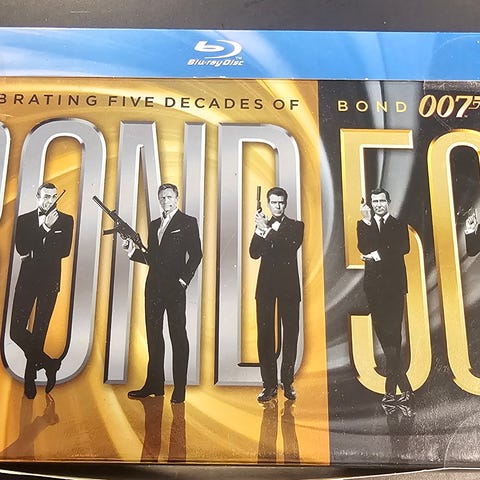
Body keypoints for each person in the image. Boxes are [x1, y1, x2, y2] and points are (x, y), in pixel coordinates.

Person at [124, 183, 202, 404]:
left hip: (175, 288)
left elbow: (196, 255)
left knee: (178, 336)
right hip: (153, 288)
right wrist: (132, 253)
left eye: (169, 197)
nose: (166, 201)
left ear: (177, 198)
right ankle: (155, 385)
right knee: (154, 336)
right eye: (162, 198)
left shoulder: (188, 222)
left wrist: (183, 281)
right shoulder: (154, 224)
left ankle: (180, 389)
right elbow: (153, 259)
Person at [10, 182, 74, 399]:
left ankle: (30, 378)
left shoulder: (66, 220)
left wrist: (34, 249)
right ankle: (49, 364)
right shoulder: (24, 219)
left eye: (53, 197)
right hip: (26, 281)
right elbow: (22, 248)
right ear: (37, 197)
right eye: (46, 197)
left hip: (49, 282)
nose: (50, 201)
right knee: (15, 331)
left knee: (39, 332)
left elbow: (64, 251)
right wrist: (45, 228)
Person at [357, 187, 412, 405]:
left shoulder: (399, 224)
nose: (378, 205)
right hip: (373, 288)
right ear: (370, 204)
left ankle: (393, 392)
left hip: (394, 287)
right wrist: (367, 222)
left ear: (388, 202)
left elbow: (403, 248)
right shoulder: (364, 224)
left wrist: (376, 256)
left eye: (381, 201)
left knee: (394, 336)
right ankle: (404, 390)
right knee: (384, 336)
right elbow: (364, 247)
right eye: (375, 202)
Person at [249, 186, 304, 403]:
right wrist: (259, 230)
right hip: (266, 288)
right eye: (274, 202)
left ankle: (287, 383)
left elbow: (288, 247)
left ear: (285, 204)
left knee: (290, 335)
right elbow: (254, 253)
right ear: (269, 204)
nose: (278, 206)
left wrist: (267, 229)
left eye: (281, 202)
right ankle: (269, 385)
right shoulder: (263, 225)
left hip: (289, 288)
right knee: (265, 337)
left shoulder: (296, 226)